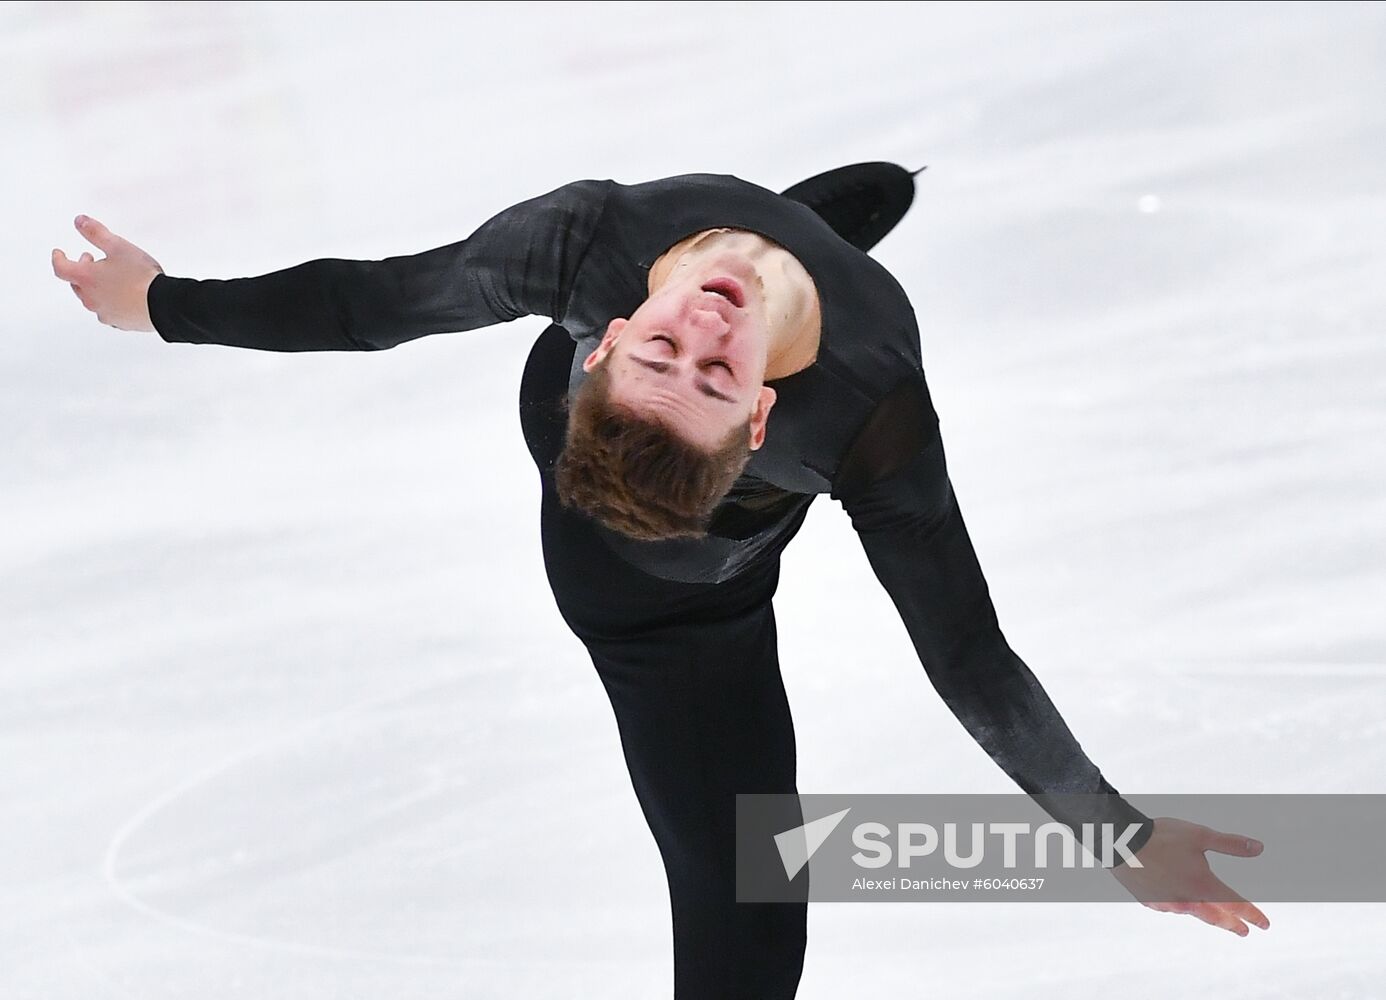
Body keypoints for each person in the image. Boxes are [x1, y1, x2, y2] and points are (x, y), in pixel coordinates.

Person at [52, 162, 1269, 998]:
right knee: (751, 870)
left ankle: (804, 233)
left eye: (682, 354)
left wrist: (164, 304)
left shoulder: (631, 275)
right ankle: (806, 238)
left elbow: (380, 300)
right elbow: (374, 304)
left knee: (782, 256)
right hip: (663, 612)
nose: (702, 328)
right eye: (699, 358)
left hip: (641, 446)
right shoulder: (823, 387)